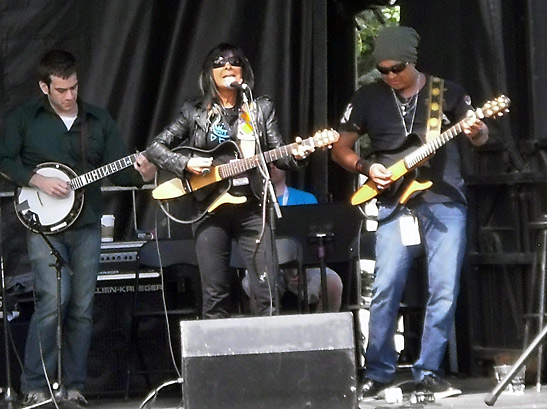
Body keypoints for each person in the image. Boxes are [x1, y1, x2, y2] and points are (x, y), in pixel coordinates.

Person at [332, 26, 489, 399]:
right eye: (383, 69)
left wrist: (477, 130)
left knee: (444, 288)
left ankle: (429, 371)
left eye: (396, 68)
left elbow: (481, 139)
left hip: (443, 198)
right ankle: (378, 370)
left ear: (413, 60)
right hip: (392, 200)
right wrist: (366, 168)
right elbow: (340, 148)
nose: (390, 76)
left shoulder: (446, 91)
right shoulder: (368, 96)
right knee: (386, 286)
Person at [0, 49, 156, 406]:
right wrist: (36, 179)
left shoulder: (97, 119)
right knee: (53, 301)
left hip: (86, 224)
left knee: (82, 308)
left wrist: (143, 173)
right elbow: (4, 159)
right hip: (42, 225)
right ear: (45, 87)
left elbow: (121, 168)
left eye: (73, 88)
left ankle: (74, 386)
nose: (70, 96)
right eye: (61, 90)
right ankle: (36, 385)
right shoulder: (25, 119)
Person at [143, 43, 317, 319]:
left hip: (253, 207)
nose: (227, 66)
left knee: (268, 291)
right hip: (209, 208)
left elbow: (280, 155)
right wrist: (185, 163)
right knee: (215, 294)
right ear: (208, 73)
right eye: (219, 62)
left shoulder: (259, 109)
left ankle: (270, 356)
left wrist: (300, 154)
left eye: (234, 62)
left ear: (243, 71)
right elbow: (155, 148)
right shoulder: (194, 111)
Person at [242, 162, 343, 312]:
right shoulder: (249, 202)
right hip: (264, 265)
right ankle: (263, 332)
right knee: (255, 284)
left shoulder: (306, 199)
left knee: (333, 283)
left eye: (276, 163)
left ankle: (320, 334)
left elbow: (315, 242)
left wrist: (304, 268)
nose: (272, 167)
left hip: (303, 266)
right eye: (267, 163)